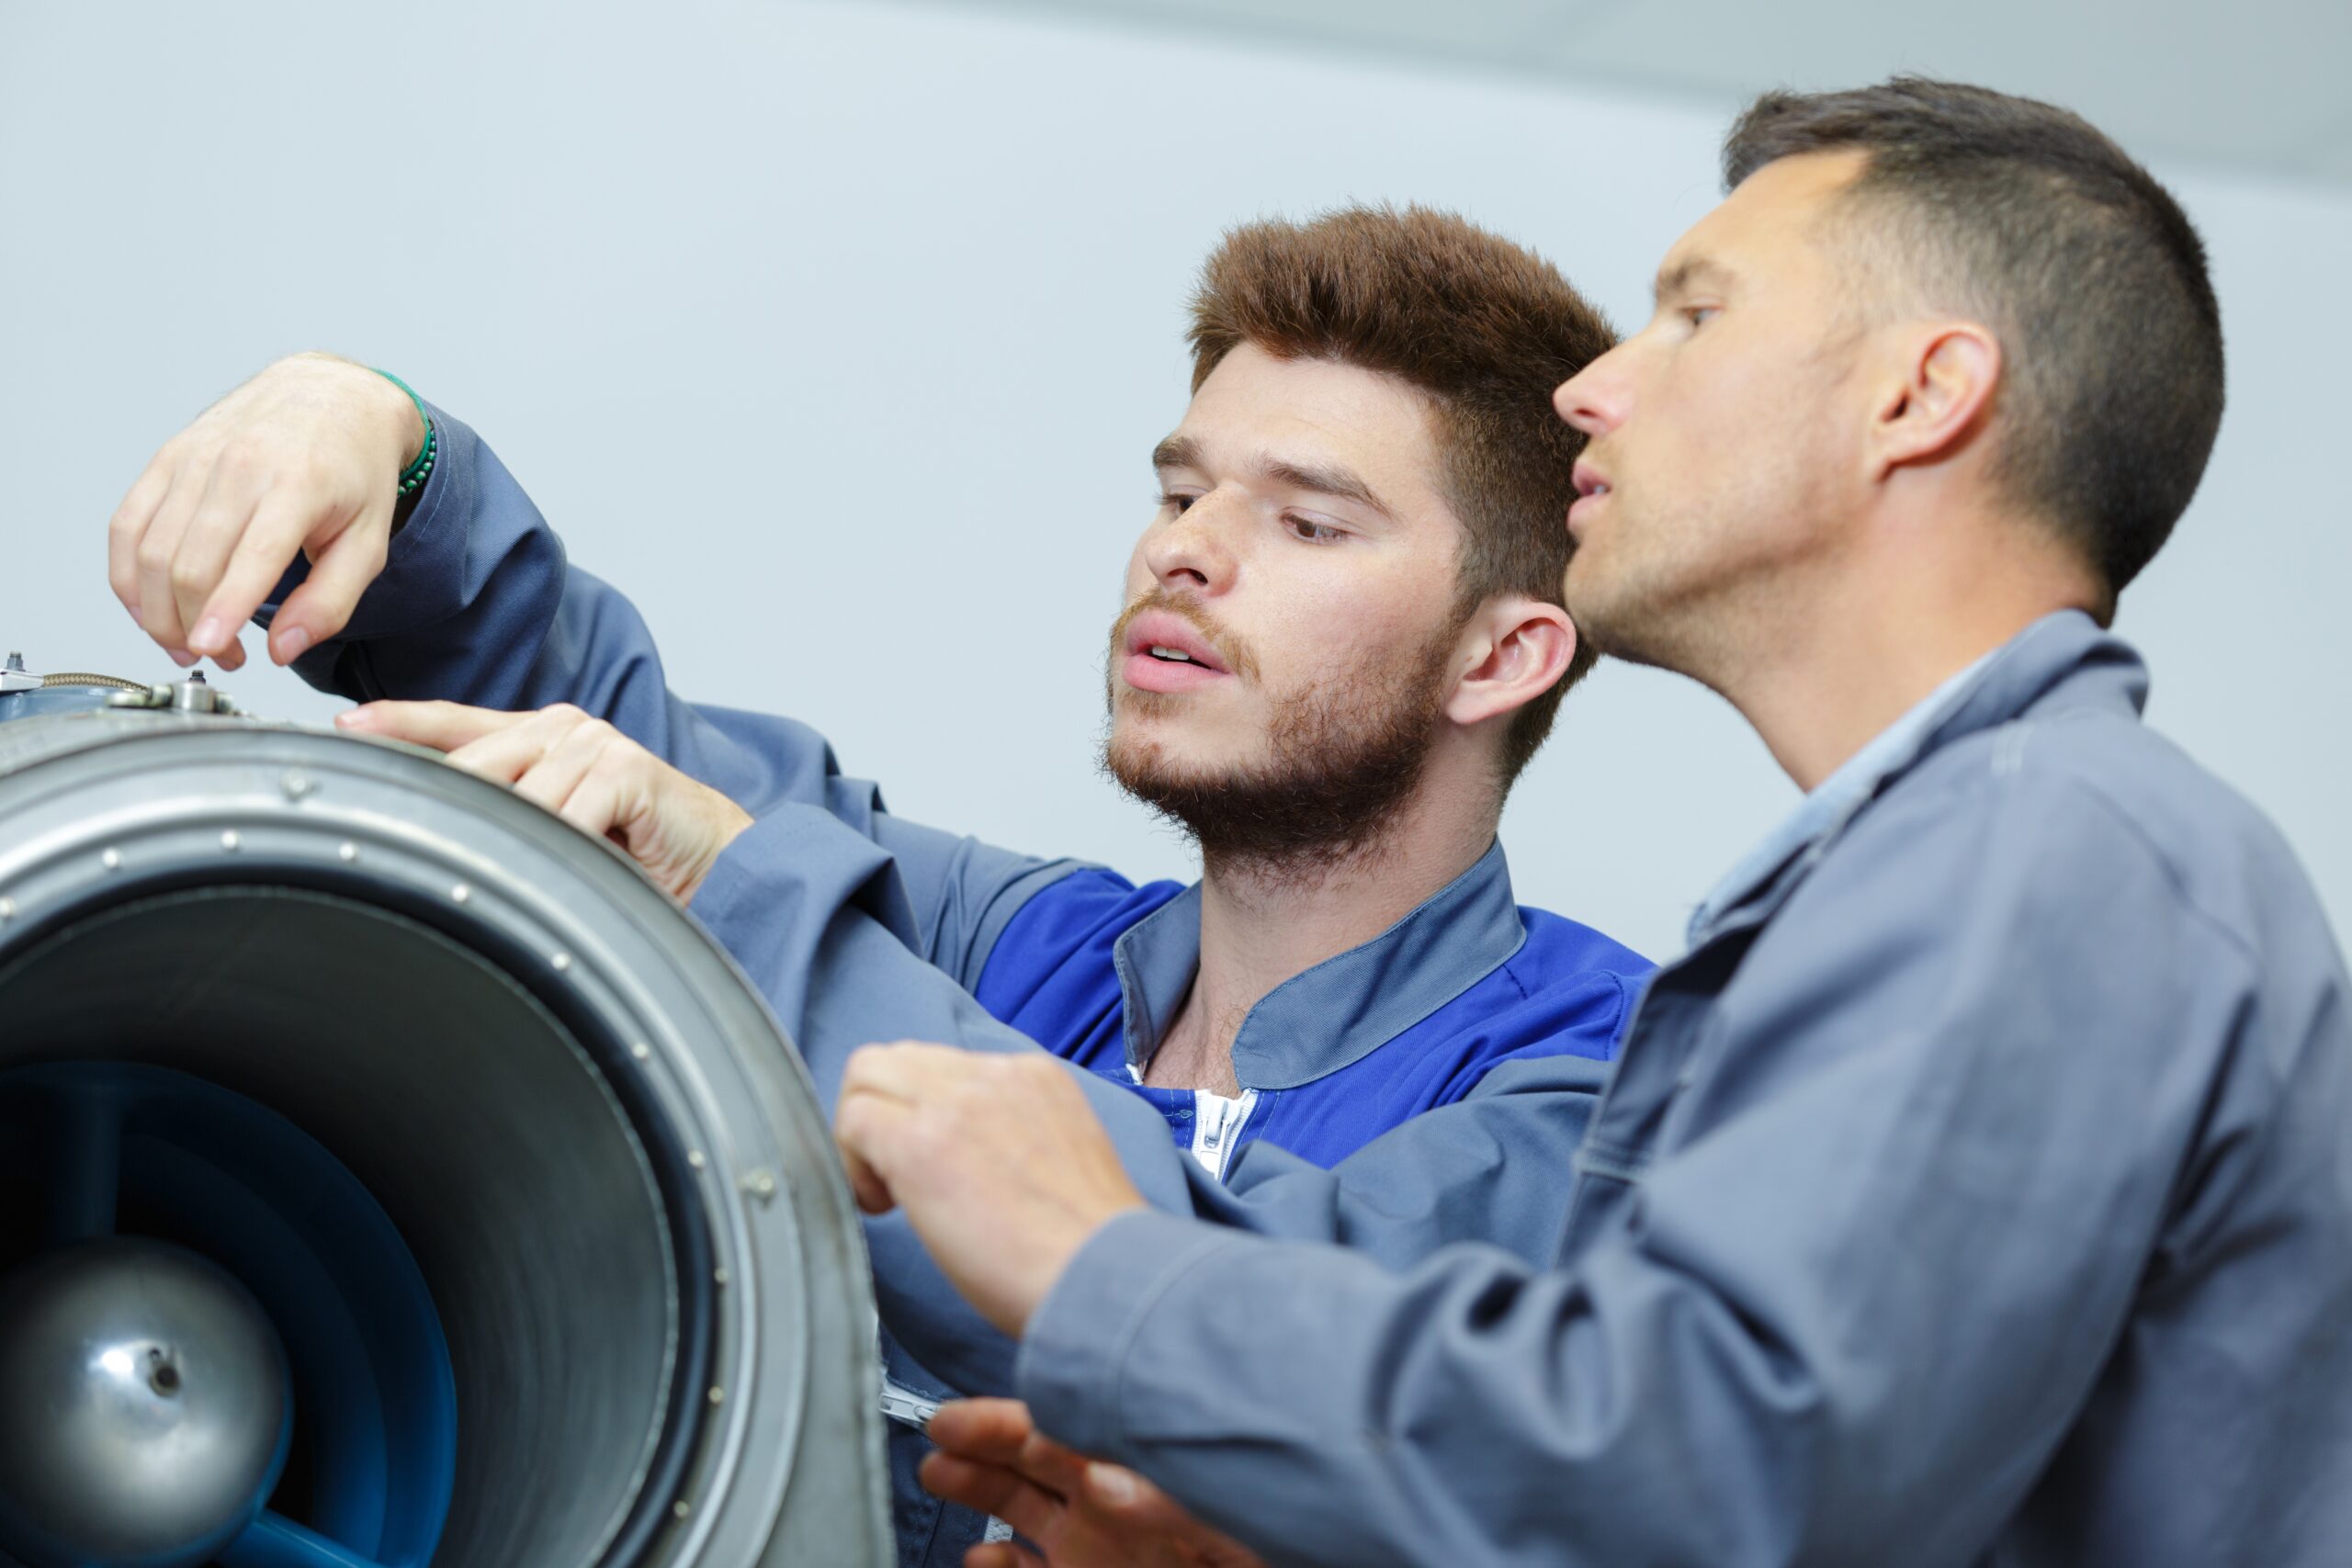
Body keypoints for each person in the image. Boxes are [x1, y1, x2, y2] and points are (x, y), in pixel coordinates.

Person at [831, 78, 2352, 1565]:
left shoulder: (2049, 854)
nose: (1591, 391)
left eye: (1694, 314)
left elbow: (1721, 1481)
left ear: (1919, 396)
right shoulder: (1944, 868)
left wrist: (1106, 1266)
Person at [106, 207, 1651, 1564]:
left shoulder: (1617, 1093)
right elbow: (625, 763)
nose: (1183, 554)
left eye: (1306, 520)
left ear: (1501, 654)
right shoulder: (1010, 948)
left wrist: (736, 877)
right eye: (1182, 494)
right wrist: (386, 439)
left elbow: (1264, 1318)